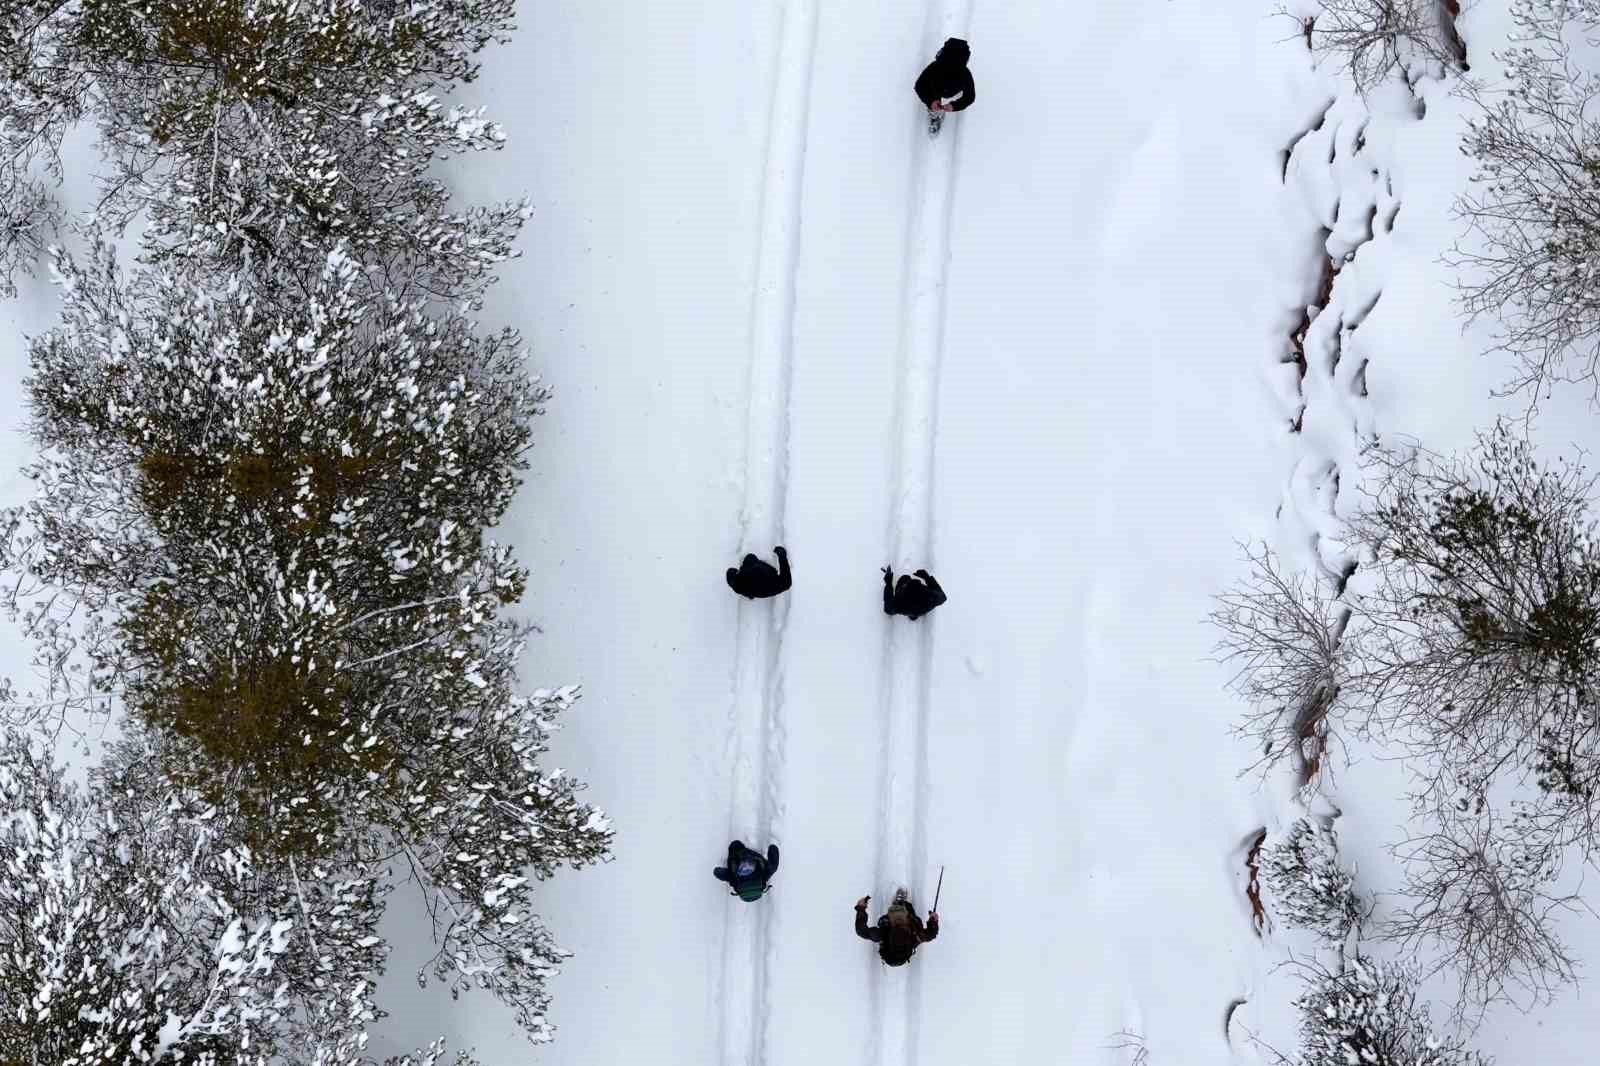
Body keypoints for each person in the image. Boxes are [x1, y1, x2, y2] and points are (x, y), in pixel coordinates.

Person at [854, 888, 939, 966]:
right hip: (901, 954)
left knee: (885, 921)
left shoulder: (882, 933)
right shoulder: (915, 935)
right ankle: (902, 903)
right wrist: (933, 921)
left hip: (889, 954)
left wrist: (861, 908)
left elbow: (861, 931)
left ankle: (899, 903)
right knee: (913, 917)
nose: (898, 920)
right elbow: (931, 933)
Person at [914, 38, 975, 121]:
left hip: (952, 90)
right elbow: (919, 85)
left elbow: (970, 96)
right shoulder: (935, 67)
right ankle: (934, 112)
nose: (950, 69)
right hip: (936, 89)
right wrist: (931, 101)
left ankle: (935, 108)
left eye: (955, 67)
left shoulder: (965, 74)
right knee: (933, 92)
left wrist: (954, 106)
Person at [714, 840, 781, 902]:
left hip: (737, 853)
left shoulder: (735, 879)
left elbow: (719, 873)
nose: (746, 866)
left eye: (742, 869)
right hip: (744, 855)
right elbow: (773, 867)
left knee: (735, 846)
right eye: (750, 868)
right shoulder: (763, 875)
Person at [727, 546, 791, 599]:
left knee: (750, 558)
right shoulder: (772, 584)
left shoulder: (740, 584)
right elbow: (786, 583)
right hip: (765, 582)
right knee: (750, 558)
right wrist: (782, 556)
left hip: (757, 584)